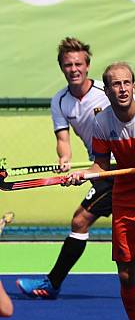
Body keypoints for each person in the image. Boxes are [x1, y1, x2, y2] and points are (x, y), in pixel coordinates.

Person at [64, 62, 135, 320]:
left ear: (134, 85)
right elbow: (101, 166)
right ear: (106, 90)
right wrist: (83, 175)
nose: (122, 89)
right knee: (127, 274)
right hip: (126, 200)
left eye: (127, 82)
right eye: (115, 84)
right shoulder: (102, 123)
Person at [17, 38, 111, 299]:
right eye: (68, 65)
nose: (74, 69)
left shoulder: (107, 92)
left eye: (78, 64)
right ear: (62, 68)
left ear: (88, 65)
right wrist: (65, 160)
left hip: (118, 169)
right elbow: (63, 141)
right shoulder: (59, 100)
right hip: (99, 168)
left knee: (81, 220)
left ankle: (52, 283)